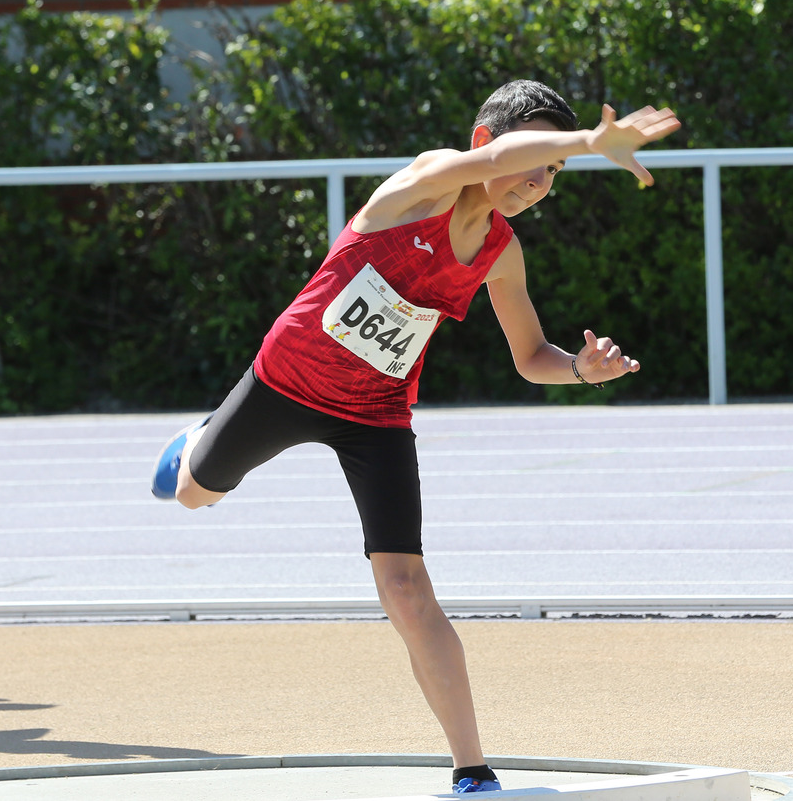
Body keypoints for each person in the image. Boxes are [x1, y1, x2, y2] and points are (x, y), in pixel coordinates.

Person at [152, 79, 680, 793]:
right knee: (191, 494)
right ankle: (196, 441)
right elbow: (511, 153)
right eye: (534, 161)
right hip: (284, 382)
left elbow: (530, 358)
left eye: (555, 173)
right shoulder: (422, 183)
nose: (539, 181)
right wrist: (587, 141)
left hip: (376, 415)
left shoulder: (501, 252)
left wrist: (583, 370)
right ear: (483, 146)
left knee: (406, 587)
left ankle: (473, 769)